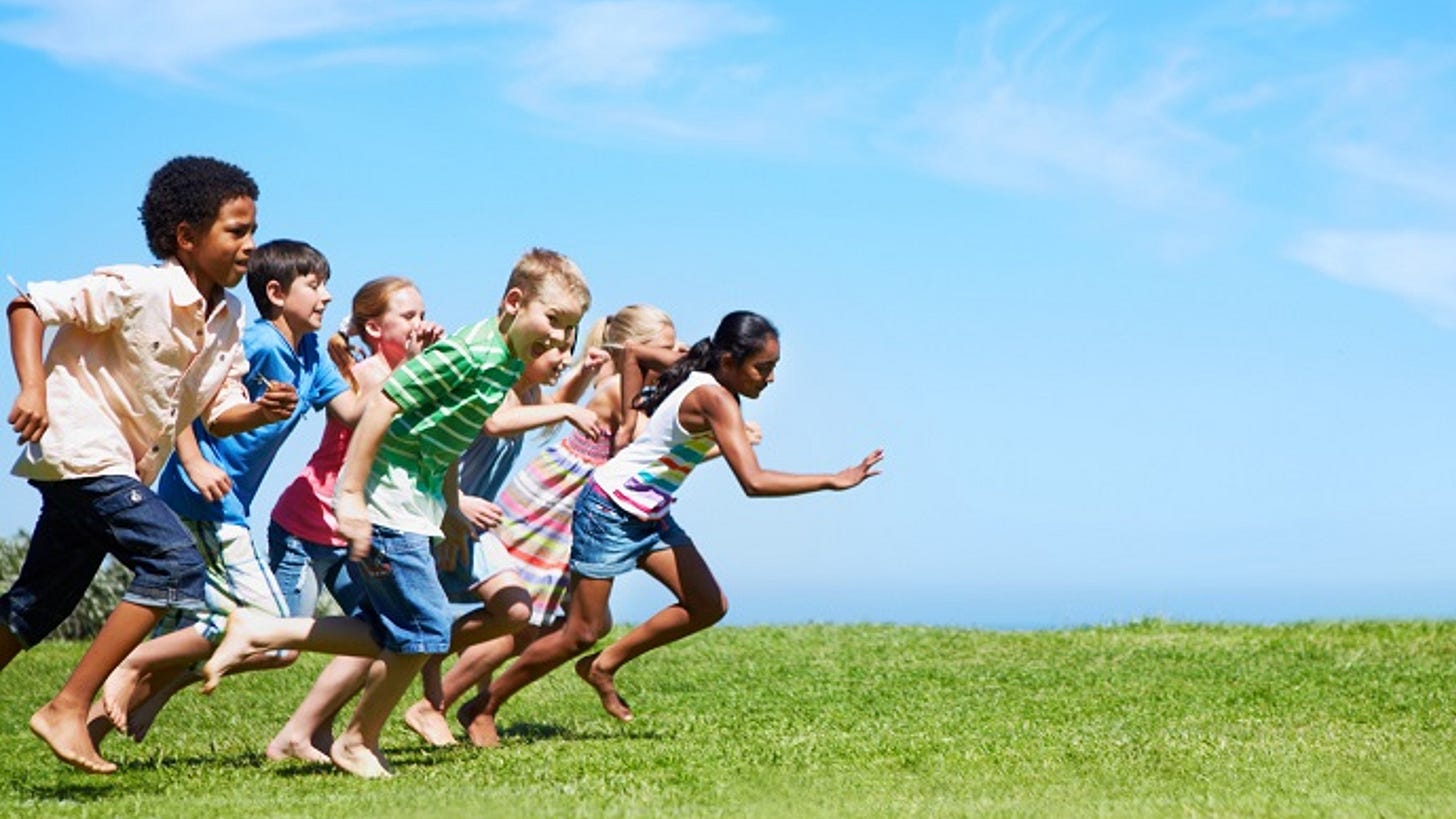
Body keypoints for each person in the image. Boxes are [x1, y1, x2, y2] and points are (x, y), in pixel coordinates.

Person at [200, 248, 592, 779]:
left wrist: (450, 506)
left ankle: (264, 631)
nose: (558, 338)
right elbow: (384, 405)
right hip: (387, 500)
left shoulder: (503, 362)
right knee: (425, 628)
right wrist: (353, 495)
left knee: (393, 632)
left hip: (417, 501)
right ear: (514, 302)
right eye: (553, 321)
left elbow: (442, 433)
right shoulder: (467, 354)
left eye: (570, 329)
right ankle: (356, 741)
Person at [0, 156, 283, 774]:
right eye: (237, 230)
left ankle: (67, 705)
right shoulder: (138, 287)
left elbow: (219, 410)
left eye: (253, 229)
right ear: (187, 237)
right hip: (82, 452)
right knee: (175, 564)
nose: (250, 244)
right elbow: (28, 304)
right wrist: (33, 389)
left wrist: (260, 412)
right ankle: (67, 708)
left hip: (117, 470)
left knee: (34, 607)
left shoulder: (228, 318)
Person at [476, 311, 882, 740]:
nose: (771, 378)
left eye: (775, 368)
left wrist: (631, 422)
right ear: (729, 361)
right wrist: (832, 479)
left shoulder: (705, 372)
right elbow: (754, 482)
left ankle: (603, 665)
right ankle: (481, 708)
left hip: (649, 513)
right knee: (582, 631)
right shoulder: (716, 397)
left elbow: (633, 353)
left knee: (707, 604)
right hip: (609, 509)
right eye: (763, 368)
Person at [92, 239, 372, 743]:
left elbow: (356, 414)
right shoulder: (259, 342)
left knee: (190, 633)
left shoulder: (311, 355)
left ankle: (94, 723)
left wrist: (379, 358)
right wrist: (195, 461)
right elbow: (184, 387)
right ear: (276, 293)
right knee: (275, 634)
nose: (327, 296)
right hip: (202, 500)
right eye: (315, 284)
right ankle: (130, 663)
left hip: (230, 506)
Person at [410, 304, 682, 747]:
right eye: (666, 351)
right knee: (523, 619)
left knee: (543, 623)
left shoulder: (614, 388)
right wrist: (719, 437)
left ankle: (470, 702)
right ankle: (436, 692)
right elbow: (649, 444)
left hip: (572, 503)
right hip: (554, 504)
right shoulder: (616, 387)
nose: (672, 359)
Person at [262, 276, 443, 764]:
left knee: (382, 631)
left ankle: (303, 735)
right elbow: (366, 415)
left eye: (422, 314)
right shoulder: (361, 374)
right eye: (408, 317)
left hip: (356, 532)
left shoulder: (414, 372)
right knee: (275, 649)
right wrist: (418, 367)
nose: (420, 324)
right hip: (307, 526)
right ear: (373, 327)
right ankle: (158, 670)